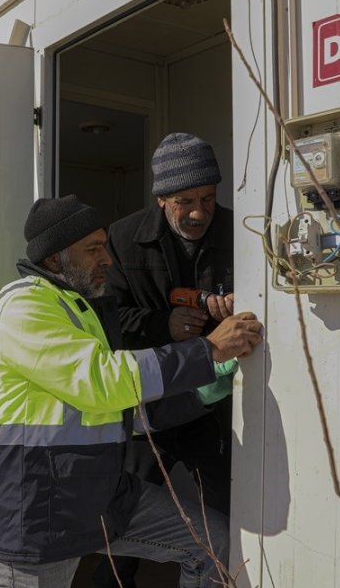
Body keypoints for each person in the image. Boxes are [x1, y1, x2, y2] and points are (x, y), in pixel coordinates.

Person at [0, 195, 263, 588]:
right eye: (93, 249)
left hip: (101, 495)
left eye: (104, 246)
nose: (108, 260)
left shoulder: (80, 310)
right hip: (39, 512)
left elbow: (120, 409)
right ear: (53, 260)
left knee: (213, 540)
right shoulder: (24, 306)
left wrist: (201, 391)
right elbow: (103, 383)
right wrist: (207, 350)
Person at [95, 133, 236, 587]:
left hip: (209, 406)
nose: (199, 213)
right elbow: (104, 320)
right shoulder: (121, 239)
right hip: (146, 405)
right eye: (185, 200)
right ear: (160, 199)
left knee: (225, 519)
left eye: (209, 199)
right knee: (123, 522)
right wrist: (163, 324)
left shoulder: (239, 232)